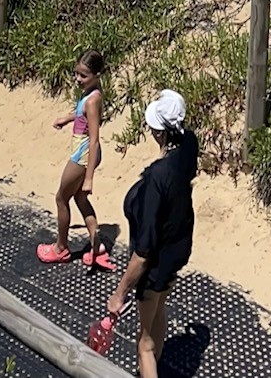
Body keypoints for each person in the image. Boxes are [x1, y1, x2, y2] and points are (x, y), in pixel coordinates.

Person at [102, 90, 199, 378]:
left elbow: (143, 253)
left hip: (155, 264)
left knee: (143, 343)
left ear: (159, 133)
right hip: (177, 250)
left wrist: (119, 294)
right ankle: (154, 363)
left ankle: (149, 365)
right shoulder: (189, 145)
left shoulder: (158, 178)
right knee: (158, 309)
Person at [42, 54, 108, 262]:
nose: (78, 79)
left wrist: (89, 178)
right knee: (80, 198)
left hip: (83, 155)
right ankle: (97, 246)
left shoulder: (92, 100)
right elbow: (83, 116)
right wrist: (68, 118)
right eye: (77, 74)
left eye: (84, 75)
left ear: (97, 75)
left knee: (62, 198)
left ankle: (61, 248)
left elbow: (95, 137)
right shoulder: (90, 94)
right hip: (85, 152)